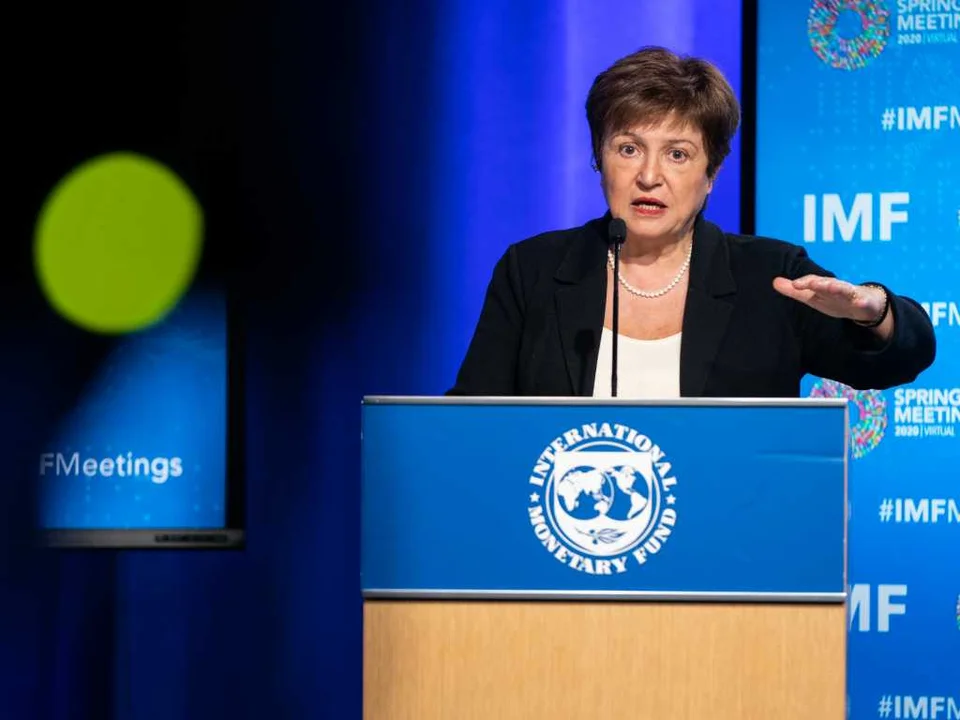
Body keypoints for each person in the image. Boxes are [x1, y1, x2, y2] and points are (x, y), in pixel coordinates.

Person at [448, 46, 935, 398]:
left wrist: (874, 312)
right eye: (628, 149)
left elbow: (902, 359)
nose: (649, 176)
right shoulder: (533, 271)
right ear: (599, 159)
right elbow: (467, 422)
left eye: (677, 154)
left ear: (711, 175)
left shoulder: (770, 277)